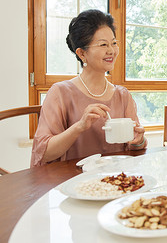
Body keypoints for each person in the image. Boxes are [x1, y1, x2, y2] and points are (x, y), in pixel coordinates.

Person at [31, 9, 147, 167]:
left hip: (115, 181)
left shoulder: (122, 95)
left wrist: (139, 141)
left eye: (114, 43)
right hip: (70, 183)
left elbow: (134, 148)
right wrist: (80, 126)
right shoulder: (60, 93)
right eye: (103, 45)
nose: (111, 50)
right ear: (82, 53)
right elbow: (43, 153)